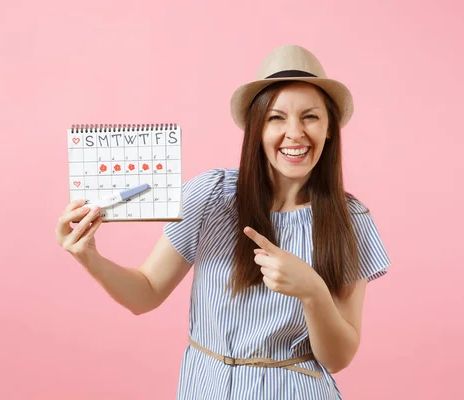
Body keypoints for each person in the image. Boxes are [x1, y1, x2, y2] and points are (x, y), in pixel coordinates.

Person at [56, 44, 392, 399]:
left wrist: (312, 291)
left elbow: (338, 358)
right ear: (256, 129)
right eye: (276, 118)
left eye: (310, 116)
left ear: (329, 129)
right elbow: (146, 293)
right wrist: (88, 255)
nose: (294, 133)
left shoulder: (351, 221)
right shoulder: (211, 195)